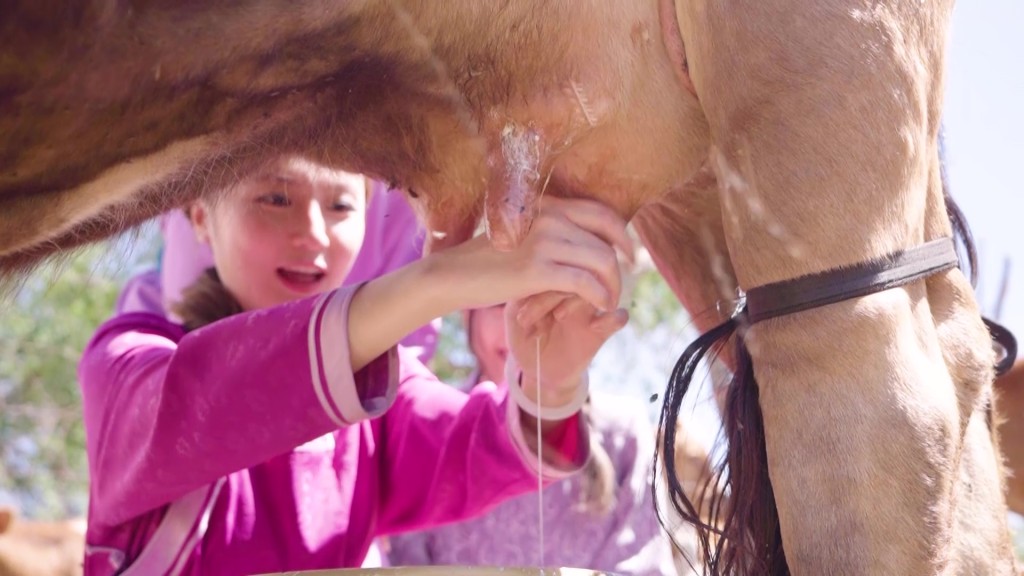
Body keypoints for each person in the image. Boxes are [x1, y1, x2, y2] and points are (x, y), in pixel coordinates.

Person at [77, 154, 633, 575]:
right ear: (200, 216)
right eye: (276, 198)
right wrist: (439, 282)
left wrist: (551, 381)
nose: (314, 234)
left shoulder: (378, 398)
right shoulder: (127, 366)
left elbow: (494, 450)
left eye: (342, 205)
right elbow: (207, 402)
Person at [387, 304, 679, 575]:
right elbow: (407, 561)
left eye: (538, 303)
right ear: (467, 311)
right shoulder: (428, 430)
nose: (518, 327)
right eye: (499, 303)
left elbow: (642, 565)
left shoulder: (622, 434)